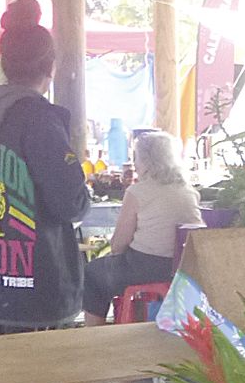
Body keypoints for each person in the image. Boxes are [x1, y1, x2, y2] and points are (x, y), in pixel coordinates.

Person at [0, 0, 99, 383]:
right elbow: (70, 202)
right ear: (50, 66)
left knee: (20, 382)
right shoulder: (39, 120)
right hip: (41, 275)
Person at [82, 130, 202, 323]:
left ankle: (95, 333)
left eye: (136, 157)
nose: (135, 163)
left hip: (144, 266)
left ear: (147, 161)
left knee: (93, 273)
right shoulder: (189, 191)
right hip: (183, 267)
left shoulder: (137, 192)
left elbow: (118, 244)